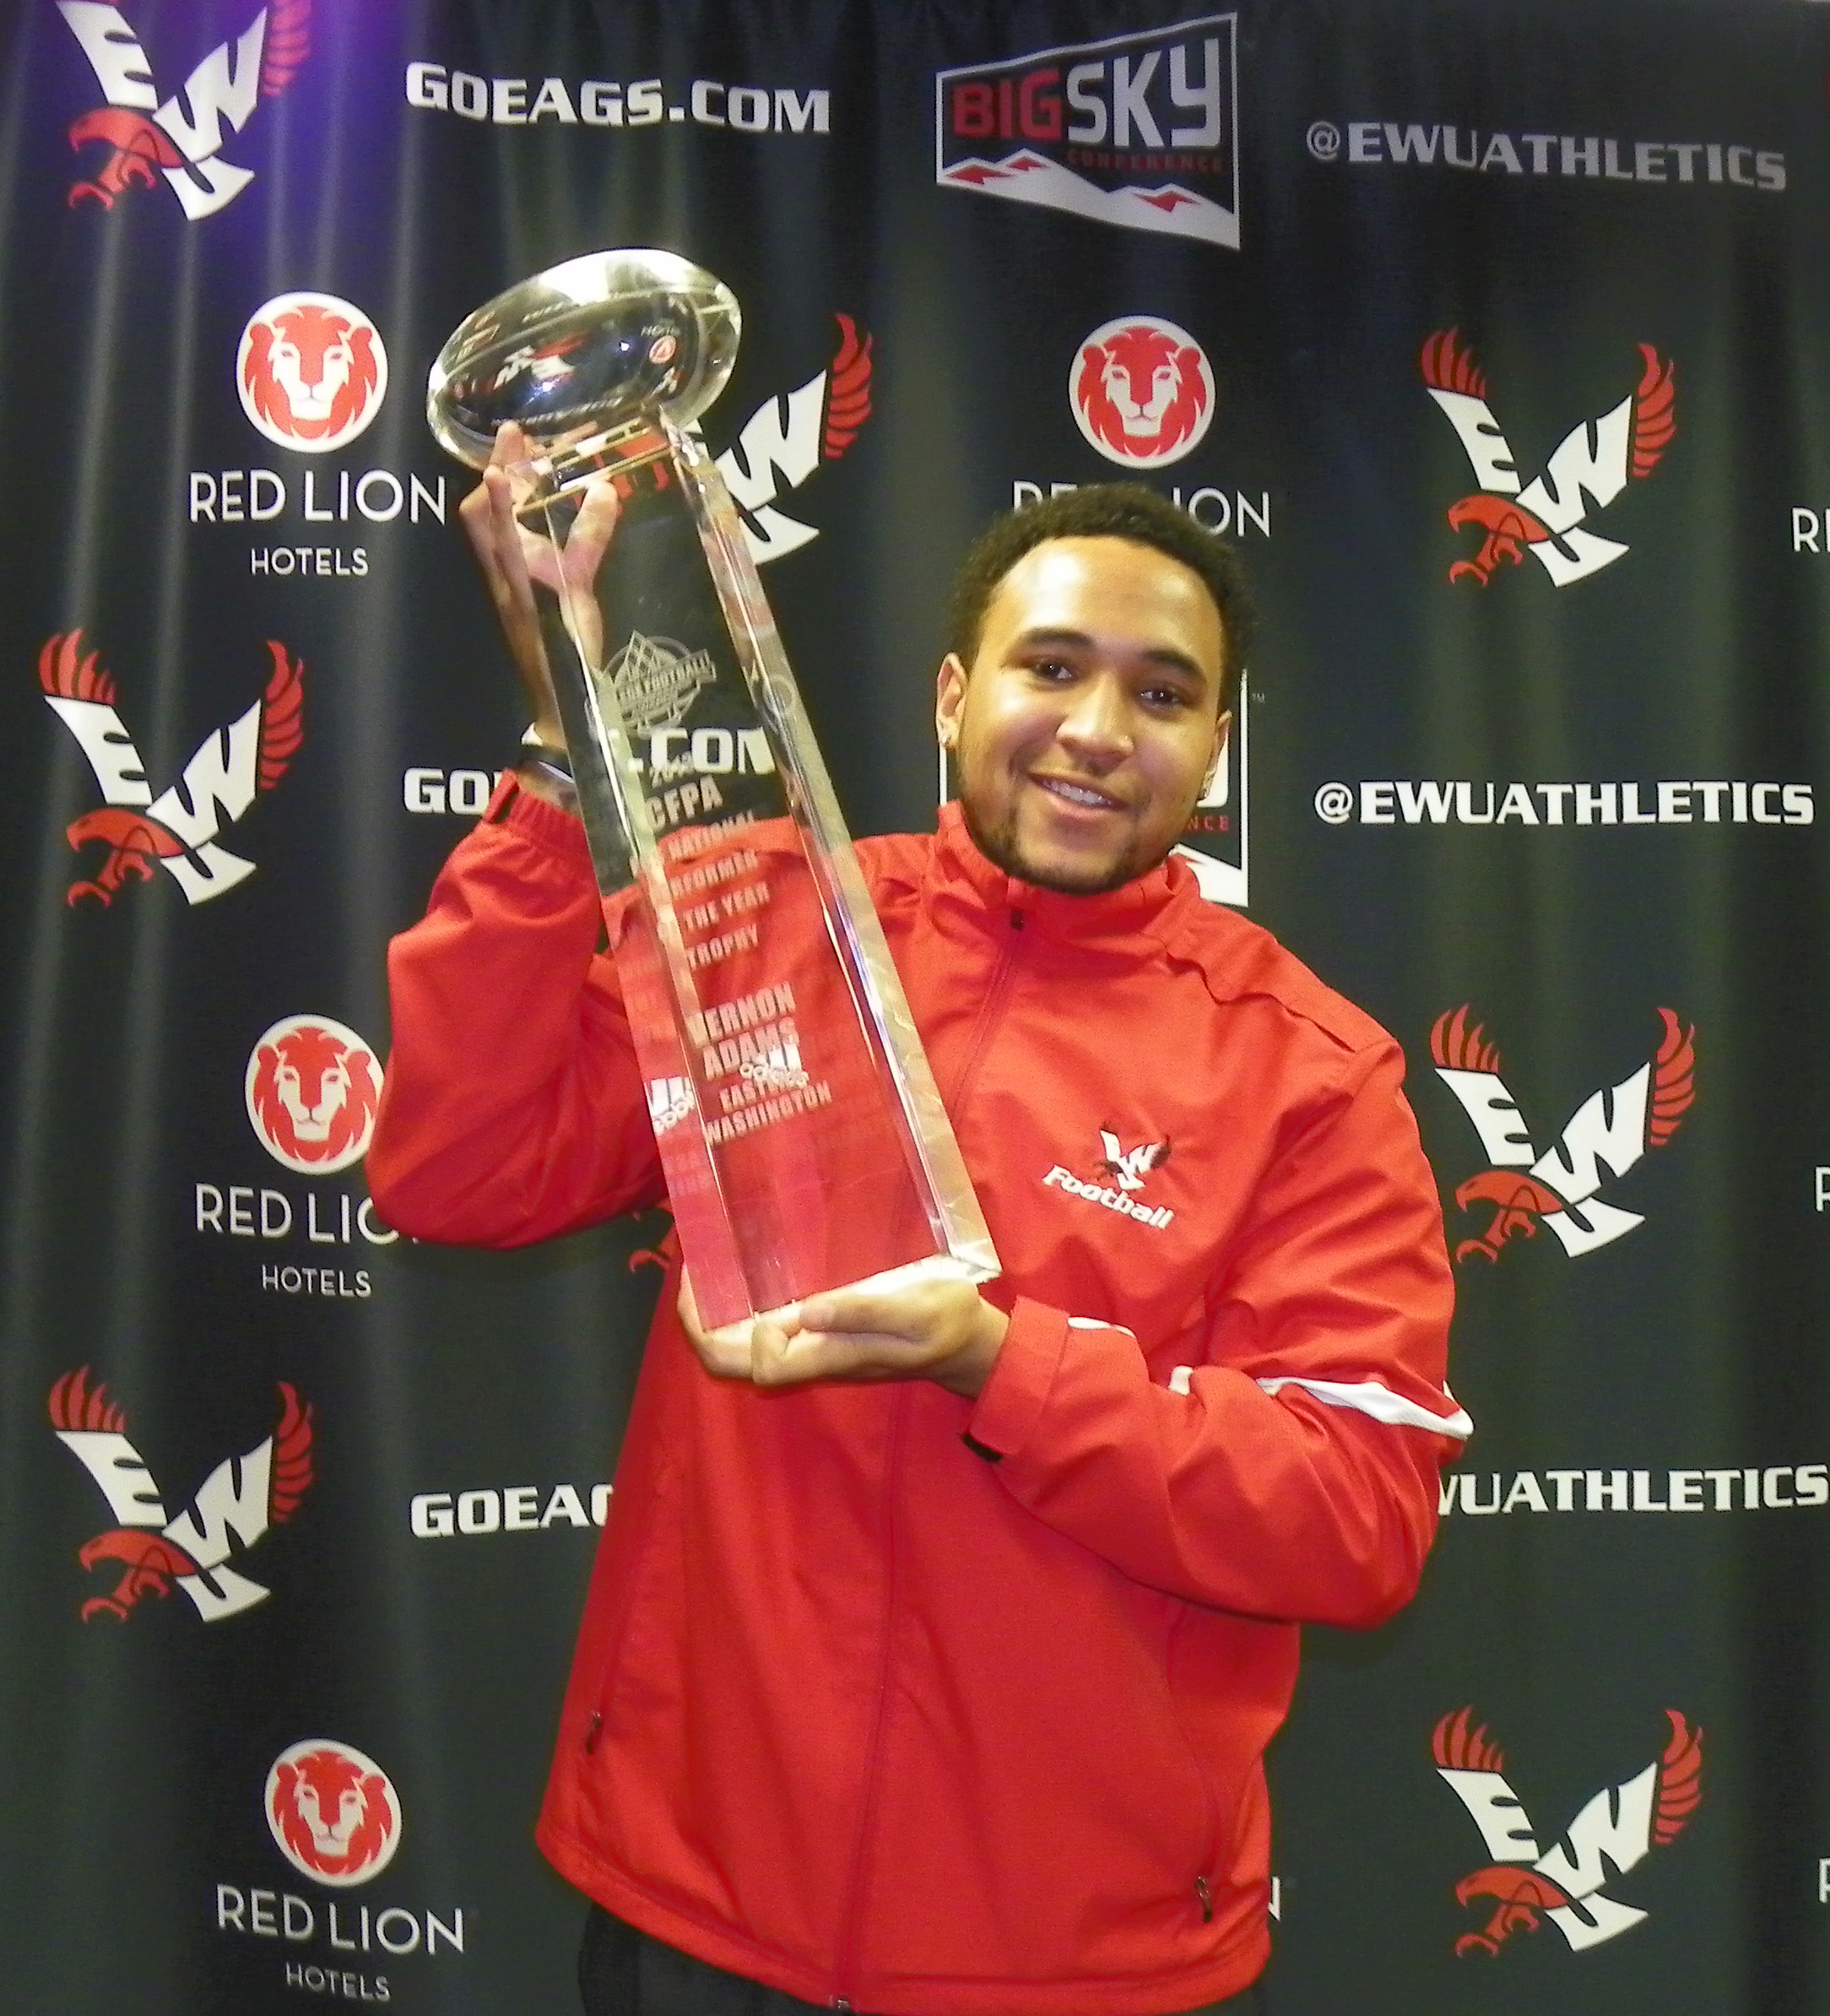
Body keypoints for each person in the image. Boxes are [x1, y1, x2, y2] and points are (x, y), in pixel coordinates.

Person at [368, 434, 1468, 2016]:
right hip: (699, 1908)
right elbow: (459, 1169)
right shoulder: (767, 924)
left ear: (1217, 748)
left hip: (1070, 1959)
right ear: (954, 694)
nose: (1096, 732)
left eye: (1162, 695)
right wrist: (562, 743)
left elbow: (1355, 1516)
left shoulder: (1308, 1070)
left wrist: (1000, 1366)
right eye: (1053, 668)